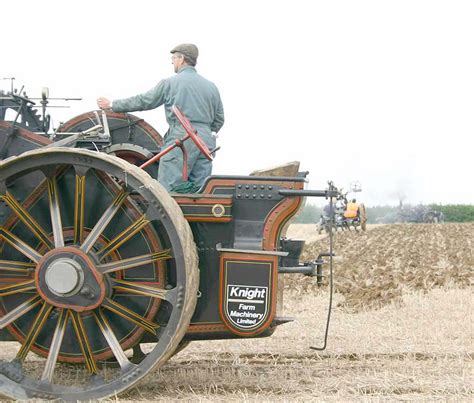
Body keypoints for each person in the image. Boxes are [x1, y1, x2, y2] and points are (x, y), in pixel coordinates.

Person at [97, 43, 224, 192]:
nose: (172, 62)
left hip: (182, 136)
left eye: (173, 58)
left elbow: (145, 101)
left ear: (181, 59)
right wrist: (204, 130)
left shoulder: (170, 83)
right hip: (206, 142)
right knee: (200, 191)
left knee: (168, 190)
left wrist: (112, 104)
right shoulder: (211, 86)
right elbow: (219, 119)